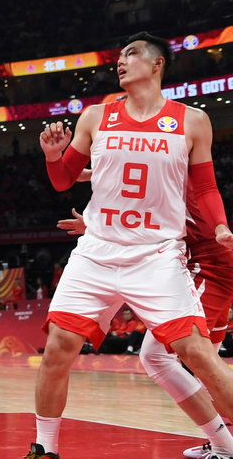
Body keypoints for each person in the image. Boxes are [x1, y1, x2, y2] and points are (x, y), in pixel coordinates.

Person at [28, 33, 233, 459]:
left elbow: (207, 188)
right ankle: (43, 450)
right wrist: (53, 155)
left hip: (157, 255)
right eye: (118, 56)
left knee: (196, 353)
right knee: (57, 348)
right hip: (98, 251)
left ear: (158, 65)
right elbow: (65, 180)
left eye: (132, 54)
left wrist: (219, 227)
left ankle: (226, 444)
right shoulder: (95, 117)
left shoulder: (191, 120)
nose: (120, 61)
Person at [58, 191, 233, 458]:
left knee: (156, 357)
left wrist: (95, 227)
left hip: (205, 266)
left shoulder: (170, 169)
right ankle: (223, 443)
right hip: (212, 264)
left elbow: (142, 221)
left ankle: (224, 445)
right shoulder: (170, 166)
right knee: (208, 368)